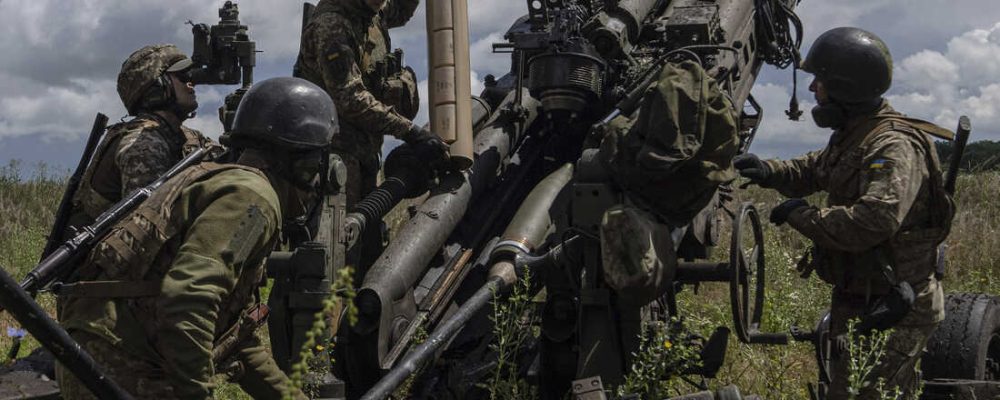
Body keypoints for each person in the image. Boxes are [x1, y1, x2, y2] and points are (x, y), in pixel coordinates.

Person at [56, 77, 337, 399]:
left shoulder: (223, 181)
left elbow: (236, 341)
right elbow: (189, 299)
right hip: (131, 363)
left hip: (108, 354)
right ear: (302, 162)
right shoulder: (253, 198)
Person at [734, 27, 955, 399]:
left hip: (894, 307)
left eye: (819, 81)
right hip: (863, 300)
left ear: (844, 87)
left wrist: (801, 215)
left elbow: (874, 221)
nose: (812, 90)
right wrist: (769, 171)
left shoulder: (892, 144)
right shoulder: (857, 134)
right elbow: (816, 168)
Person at [294, 0, 450, 268]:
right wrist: (410, 132)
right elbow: (349, 98)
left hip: (362, 154)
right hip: (331, 159)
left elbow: (400, 10)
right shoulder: (332, 24)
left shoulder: (371, 12)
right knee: (334, 258)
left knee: (366, 253)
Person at [69, 44, 219, 230]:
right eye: (182, 76)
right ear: (157, 87)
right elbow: (145, 228)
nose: (191, 82)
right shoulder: (143, 144)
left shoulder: (183, 136)